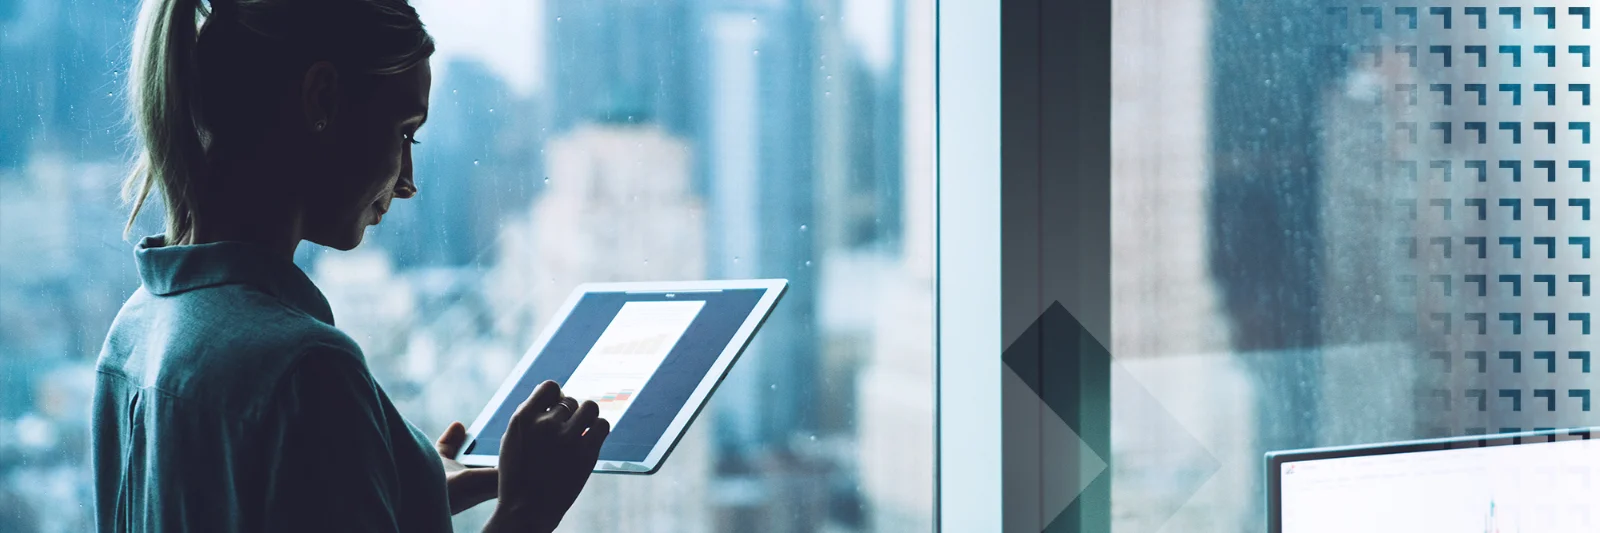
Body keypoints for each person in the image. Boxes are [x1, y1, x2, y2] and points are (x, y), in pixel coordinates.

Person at [91, 0, 607, 531]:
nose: (407, 182)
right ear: (323, 98)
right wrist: (528, 508)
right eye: (404, 132)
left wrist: (395, 486)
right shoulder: (307, 370)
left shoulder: (131, 335)